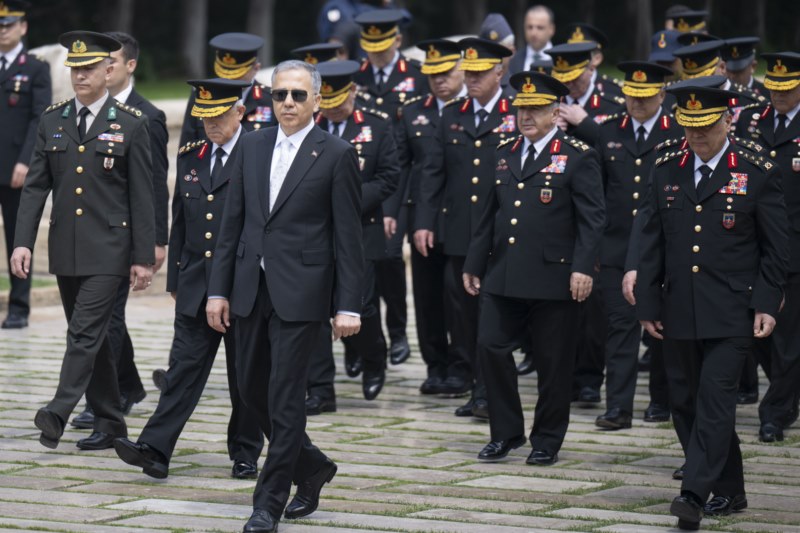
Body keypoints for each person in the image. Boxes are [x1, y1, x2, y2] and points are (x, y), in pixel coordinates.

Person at [205, 60, 363, 533]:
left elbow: (348, 237)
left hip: (303, 293)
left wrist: (348, 304)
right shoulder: (251, 146)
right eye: (279, 95)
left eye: (297, 95)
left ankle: (267, 504)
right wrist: (218, 290)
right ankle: (311, 465)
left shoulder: (335, 153)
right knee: (251, 394)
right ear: (268, 99)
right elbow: (231, 224)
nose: (288, 103)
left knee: (285, 398)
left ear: (317, 99)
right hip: (251, 290)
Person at [636, 83, 788, 529]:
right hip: (678, 307)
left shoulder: (757, 170)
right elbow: (651, 240)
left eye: (706, 126)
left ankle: (692, 494)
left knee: (714, 401)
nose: (697, 136)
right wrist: (647, 302)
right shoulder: (666, 168)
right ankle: (732, 490)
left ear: (728, 120)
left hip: (732, 311)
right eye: (690, 126)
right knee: (683, 402)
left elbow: (775, 248)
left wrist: (767, 303)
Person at [113, 78, 264, 480]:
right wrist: (177, 278)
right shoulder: (192, 155)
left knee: (245, 377)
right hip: (196, 281)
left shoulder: (258, 153)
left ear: (239, 112)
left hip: (242, 285)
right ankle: (155, 449)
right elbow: (181, 220)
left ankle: (246, 451)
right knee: (182, 370)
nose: (210, 125)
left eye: (218, 117)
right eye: (204, 118)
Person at [10, 31, 154, 450]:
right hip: (66, 248)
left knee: (84, 334)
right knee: (89, 336)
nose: (80, 77)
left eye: (89, 68)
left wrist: (143, 258)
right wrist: (22, 243)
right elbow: (36, 187)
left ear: (109, 70)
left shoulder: (131, 123)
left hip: (111, 249)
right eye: (75, 69)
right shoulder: (53, 119)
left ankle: (58, 409)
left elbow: (143, 197)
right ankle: (110, 422)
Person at [464, 71, 604, 466]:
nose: (526, 115)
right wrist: (475, 262)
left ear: (556, 110)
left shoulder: (578, 155)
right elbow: (487, 214)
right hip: (504, 272)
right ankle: (505, 432)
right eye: (521, 108)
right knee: (490, 346)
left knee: (553, 362)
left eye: (536, 108)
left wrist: (583, 268)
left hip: (553, 276)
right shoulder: (504, 151)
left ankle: (546, 439)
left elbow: (592, 219)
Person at [70, 31, 169, 430]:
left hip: (128, 236)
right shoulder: (87, 111)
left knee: (103, 320)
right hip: (92, 234)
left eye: (110, 61)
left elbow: (156, 184)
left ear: (129, 66)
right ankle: (126, 384)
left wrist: (156, 241)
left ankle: (104, 399)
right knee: (105, 318)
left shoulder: (149, 116)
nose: (102, 68)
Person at [414, 37, 513, 419]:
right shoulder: (453, 113)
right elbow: (433, 172)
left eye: (480, 73)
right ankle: (478, 388)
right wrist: (424, 221)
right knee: (464, 314)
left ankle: (493, 391)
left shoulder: (514, 110)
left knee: (496, 315)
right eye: (468, 72)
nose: (472, 79)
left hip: (502, 230)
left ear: (499, 73)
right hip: (458, 232)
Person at [304, 59, 399, 411]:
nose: (331, 106)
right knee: (315, 310)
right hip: (316, 232)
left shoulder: (376, 127)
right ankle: (320, 389)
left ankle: (374, 356)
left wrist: (348, 202)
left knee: (361, 305)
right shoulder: (309, 128)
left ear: (354, 92)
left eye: (338, 99)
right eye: (324, 100)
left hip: (361, 229)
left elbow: (389, 177)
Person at [594, 61, 682, 430]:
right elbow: (595, 193)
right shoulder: (608, 131)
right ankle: (618, 407)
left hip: (664, 249)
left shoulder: (677, 130)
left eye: (645, 97)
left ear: (662, 94)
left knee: (663, 330)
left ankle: (661, 399)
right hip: (615, 248)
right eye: (631, 95)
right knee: (619, 329)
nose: (636, 103)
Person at [353, 9, 427, 367]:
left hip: (402, 184)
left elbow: (418, 145)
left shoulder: (415, 77)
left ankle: (397, 331)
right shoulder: (354, 75)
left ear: (397, 41)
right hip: (363, 183)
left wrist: (394, 208)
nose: (375, 54)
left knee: (390, 257)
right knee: (361, 265)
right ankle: (366, 342)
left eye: (381, 46)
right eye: (370, 46)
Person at [392, 39, 465, 395]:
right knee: (426, 295)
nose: (439, 80)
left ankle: (463, 366)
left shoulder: (470, 109)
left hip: (463, 216)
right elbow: (402, 166)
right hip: (423, 214)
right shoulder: (412, 110)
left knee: (459, 294)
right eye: (432, 73)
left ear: (462, 70)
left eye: (446, 72)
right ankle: (435, 364)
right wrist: (397, 213)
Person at [735, 52, 800, 443]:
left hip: (794, 245)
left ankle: (775, 412)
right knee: (754, 330)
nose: (778, 95)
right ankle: (787, 392)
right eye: (773, 87)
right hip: (751, 243)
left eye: (787, 88)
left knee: (789, 334)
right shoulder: (750, 119)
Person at [0, 0, 50, 329]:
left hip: (14, 168)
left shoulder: (34, 67)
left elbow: (39, 119)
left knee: (19, 236)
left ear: (23, 27)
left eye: (8, 25)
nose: (2, 30)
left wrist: (25, 162)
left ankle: (19, 307)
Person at [178, 33, 275, 147]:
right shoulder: (202, 94)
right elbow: (187, 144)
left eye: (237, 75)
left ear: (256, 68)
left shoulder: (270, 99)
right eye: (224, 73)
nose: (229, 80)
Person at [562, 22, 624, 98]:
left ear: (597, 59)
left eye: (581, 55)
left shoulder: (614, 90)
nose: (574, 59)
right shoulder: (558, 87)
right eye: (569, 53)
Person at [508, 5, 555, 75]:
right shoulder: (513, 60)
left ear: (551, 29)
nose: (533, 33)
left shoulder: (560, 61)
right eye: (530, 27)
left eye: (540, 28)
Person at [478, 13, 515, 87]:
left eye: (498, 51)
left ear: (512, 52)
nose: (490, 57)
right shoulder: (474, 87)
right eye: (486, 51)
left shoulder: (516, 89)